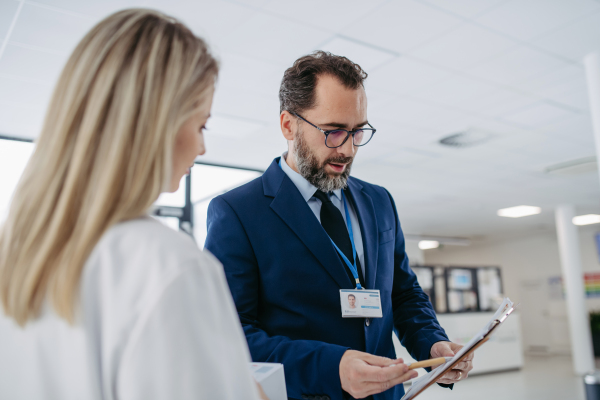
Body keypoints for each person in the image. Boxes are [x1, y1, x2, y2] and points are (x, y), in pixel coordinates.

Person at [0, 9, 265, 400]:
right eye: (201, 125)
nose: (202, 146)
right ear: (158, 122)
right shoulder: (169, 266)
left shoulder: (18, 254)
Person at [205, 51, 473, 400]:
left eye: (357, 131)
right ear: (288, 124)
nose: (347, 149)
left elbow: (403, 294)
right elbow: (230, 335)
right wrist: (333, 367)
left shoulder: (378, 201)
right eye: (333, 131)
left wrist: (433, 343)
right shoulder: (237, 211)